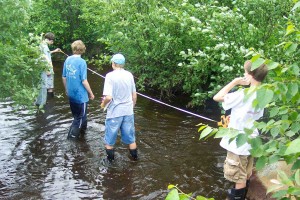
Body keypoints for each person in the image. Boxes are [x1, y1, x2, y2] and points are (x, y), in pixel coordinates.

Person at [213, 60, 268, 200]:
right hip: (252, 140)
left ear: (250, 75)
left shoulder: (242, 94)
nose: (243, 74)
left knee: (239, 177)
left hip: (238, 143)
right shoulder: (264, 94)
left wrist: (235, 82)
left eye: (245, 72)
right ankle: (246, 195)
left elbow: (217, 97)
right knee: (246, 172)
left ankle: (238, 197)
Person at [101, 53, 138, 162]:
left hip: (114, 113)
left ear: (114, 63)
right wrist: (132, 107)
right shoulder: (129, 75)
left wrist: (103, 105)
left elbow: (108, 97)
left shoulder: (109, 76)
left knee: (109, 141)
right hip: (128, 111)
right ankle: (135, 160)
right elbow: (134, 96)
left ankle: (110, 165)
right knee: (131, 139)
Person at [62, 40, 94, 139]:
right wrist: (91, 93)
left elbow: (64, 77)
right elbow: (84, 81)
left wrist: (66, 89)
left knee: (79, 116)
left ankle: (83, 133)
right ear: (82, 50)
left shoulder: (68, 59)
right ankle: (71, 138)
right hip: (80, 96)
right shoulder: (82, 62)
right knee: (79, 118)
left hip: (71, 94)